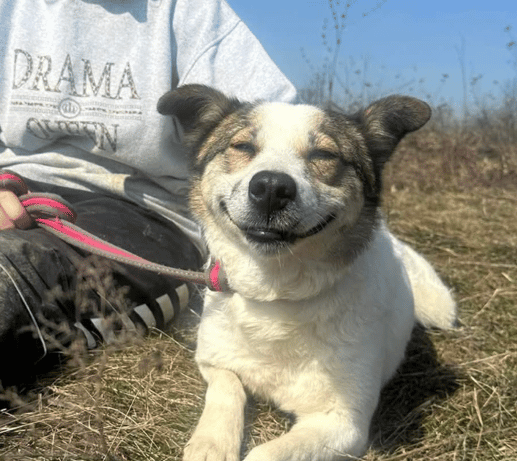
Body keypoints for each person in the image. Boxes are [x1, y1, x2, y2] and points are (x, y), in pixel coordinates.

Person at [0, 0, 296, 389]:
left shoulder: (191, 13)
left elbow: (279, 137)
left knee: (10, 280)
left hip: (146, 216)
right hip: (14, 185)